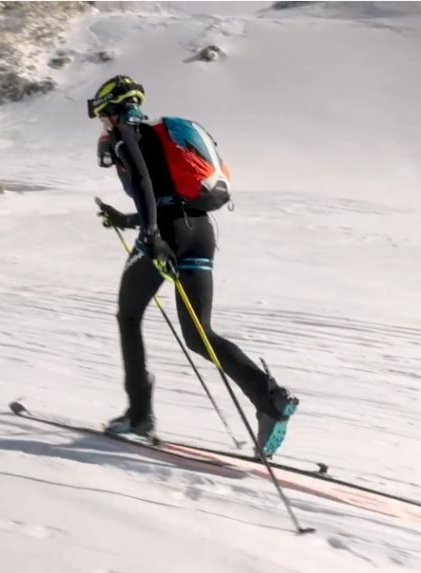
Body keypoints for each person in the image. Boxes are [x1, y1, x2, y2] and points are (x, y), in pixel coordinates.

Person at [88, 75, 298, 456]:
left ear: (114, 109)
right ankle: (270, 400)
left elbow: (146, 186)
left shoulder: (125, 134)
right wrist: (126, 220)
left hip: (166, 234)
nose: (103, 123)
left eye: (103, 115)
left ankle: (139, 415)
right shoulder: (157, 135)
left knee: (128, 316)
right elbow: (168, 198)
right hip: (199, 231)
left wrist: (151, 235)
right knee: (200, 334)